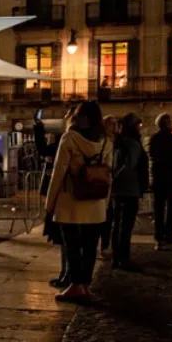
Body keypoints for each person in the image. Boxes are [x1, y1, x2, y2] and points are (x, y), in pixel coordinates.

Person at [45, 101, 112, 302]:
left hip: (70, 201)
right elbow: (108, 175)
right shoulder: (106, 142)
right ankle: (85, 285)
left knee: (72, 245)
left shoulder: (70, 139)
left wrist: (50, 202)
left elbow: (59, 172)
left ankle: (75, 286)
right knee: (90, 246)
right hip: (96, 202)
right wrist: (105, 203)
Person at [35, 106, 76, 289]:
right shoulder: (95, 139)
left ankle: (69, 275)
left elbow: (46, 152)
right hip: (83, 197)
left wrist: (49, 201)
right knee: (73, 241)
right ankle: (70, 275)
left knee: (67, 239)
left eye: (67, 115)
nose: (64, 117)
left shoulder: (67, 139)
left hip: (66, 195)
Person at [111, 113, 146, 269]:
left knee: (117, 223)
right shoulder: (133, 144)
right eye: (138, 125)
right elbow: (129, 165)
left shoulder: (118, 142)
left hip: (117, 189)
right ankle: (123, 258)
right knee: (126, 225)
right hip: (129, 188)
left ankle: (116, 256)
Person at [148, 113, 172, 251]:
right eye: (171, 122)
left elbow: (152, 156)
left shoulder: (154, 139)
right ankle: (169, 234)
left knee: (158, 209)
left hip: (159, 178)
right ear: (168, 124)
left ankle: (159, 238)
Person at [98, 115, 120, 257]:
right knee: (105, 215)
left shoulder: (110, 141)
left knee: (107, 215)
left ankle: (104, 245)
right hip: (104, 182)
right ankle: (104, 246)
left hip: (107, 182)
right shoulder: (106, 142)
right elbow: (108, 164)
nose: (115, 127)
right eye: (112, 124)